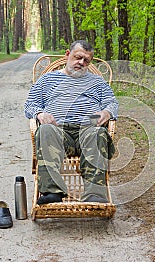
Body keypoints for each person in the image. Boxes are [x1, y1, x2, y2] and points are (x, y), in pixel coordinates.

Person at [24, 40, 118, 204]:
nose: (81, 63)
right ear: (68, 55)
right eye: (78, 57)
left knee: (99, 133)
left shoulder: (97, 82)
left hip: (88, 129)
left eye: (86, 60)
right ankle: (53, 192)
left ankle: (94, 194)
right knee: (45, 130)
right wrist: (39, 114)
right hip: (58, 131)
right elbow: (30, 105)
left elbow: (112, 103)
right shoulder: (47, 80)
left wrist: (107, 112)